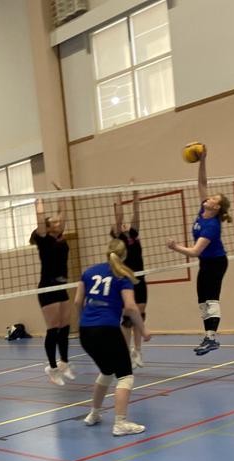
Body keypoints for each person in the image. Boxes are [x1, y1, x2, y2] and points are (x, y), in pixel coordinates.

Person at [75, 239, 151, 435]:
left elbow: (77, 301)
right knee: (125, 376)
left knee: (107, 371)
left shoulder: (89, 272)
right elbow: (131, 307)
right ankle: (120, 423)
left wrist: (85, 321)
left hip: (86, 332)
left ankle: (94, 414)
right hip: (107, 330)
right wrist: (143, 330)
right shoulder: (123, 275)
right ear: (125, 255)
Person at [167, 143, 232, 355]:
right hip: (206, 263)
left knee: (211, 298)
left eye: (213, 199)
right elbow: (202, 182)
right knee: (202, 300)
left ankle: (211, 338)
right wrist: (202, 160)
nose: (209, 198)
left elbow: (195, 251)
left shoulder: (212, 226)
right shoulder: (203, 211)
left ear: (216, 207)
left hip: (216, 263)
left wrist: (175, 246)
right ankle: (207, 337)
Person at [30, 184, 76, 385]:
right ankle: (52, 368)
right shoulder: (44, 239)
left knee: (65, 326)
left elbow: (63, 215)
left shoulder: (60, 237)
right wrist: (39, 202)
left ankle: (64, 362)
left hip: (60, 287)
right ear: (47, 227)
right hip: (47, 288)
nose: (58, 222)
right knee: (53, 328)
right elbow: (40, 219)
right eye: (54, 222)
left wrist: (61, 195)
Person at [112, 181, 147, 367]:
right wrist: (118, 194)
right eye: (119, 225)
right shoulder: (118, 239)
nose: (123, 224)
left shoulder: (133, 234)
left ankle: (137, 351)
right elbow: (119, 216)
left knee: (140, 315)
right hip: (125, 280)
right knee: (127, 319)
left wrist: (135, 193)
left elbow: (136, 212)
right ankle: (125, 353)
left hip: (140, 277)